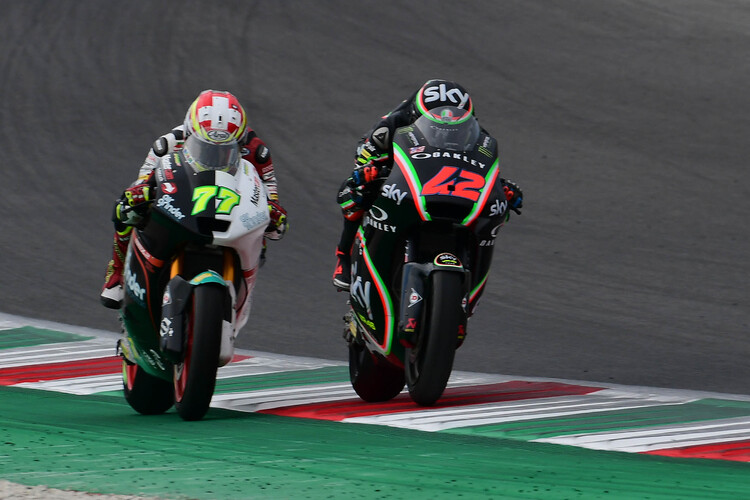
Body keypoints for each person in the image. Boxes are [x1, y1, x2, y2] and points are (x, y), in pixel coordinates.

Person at [100, 89, 287, 309]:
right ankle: (116, 273)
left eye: (226, 148)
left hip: (233, 203)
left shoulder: (257, 152)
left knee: (263, 236)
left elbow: (269, 191)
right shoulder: (168, 143)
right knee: (126, 209)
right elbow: (143, 181)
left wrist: (273, 210)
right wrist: (139, 195)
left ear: (240, 140)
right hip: (185, 195)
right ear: (190, 133)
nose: (216, 154)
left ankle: (242, 291)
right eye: (207, 147)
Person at [332, 79, 523, 290]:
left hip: (442, 179)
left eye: (456, 129)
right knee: (353, 193)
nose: (446, 133)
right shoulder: (388, 128)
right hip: (398, 168)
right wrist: (370, 172)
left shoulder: (479, 135)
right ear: (416, 117)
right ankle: (344, 255)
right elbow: (363, 162)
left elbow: (483, 171)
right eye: (437, 127)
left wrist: (500, 187)